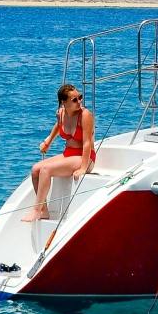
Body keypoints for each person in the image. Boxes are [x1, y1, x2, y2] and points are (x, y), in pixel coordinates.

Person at [24, 84, 93, 221]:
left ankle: (36, 210)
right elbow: (58, 126)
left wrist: (84, 167)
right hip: (68, 154)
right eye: (74, 100)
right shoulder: (61, 113)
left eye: (80, 97)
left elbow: (87, 143)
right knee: (35, 169)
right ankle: (43, 210)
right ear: (64, 102)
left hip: (85, 157)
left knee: (45, 169)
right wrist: (48, 141)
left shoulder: (85, 115)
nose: (79, 101)